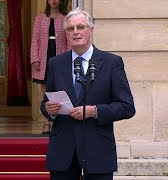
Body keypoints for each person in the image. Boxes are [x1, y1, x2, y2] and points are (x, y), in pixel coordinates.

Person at [41, 10, 135, 179]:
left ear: (91, 30)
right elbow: (45, 103)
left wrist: (95, 111)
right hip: (63, 152)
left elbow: (127, 107)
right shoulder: (55, 64)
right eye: (70, 29)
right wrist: (49, 109)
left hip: (98, 151)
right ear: (66, 34)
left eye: (80, 27)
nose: (75, 32)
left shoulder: (112, 63)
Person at [30, 0, 69, 134]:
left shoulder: (66, 19)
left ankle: (59, 122)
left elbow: (69, 40)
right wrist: (35, 58)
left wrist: (69, 58)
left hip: (60, 57)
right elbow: (35, 40)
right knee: (45, 91)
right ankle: (46, 123)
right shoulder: (40, 18)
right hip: (43, 58)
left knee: (60, 89)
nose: (54, 0)